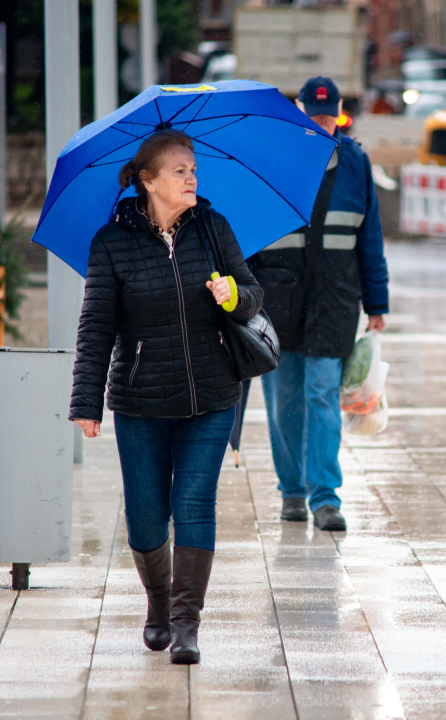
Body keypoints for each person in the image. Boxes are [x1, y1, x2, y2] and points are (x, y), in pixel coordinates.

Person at [68, 129, 264, 665]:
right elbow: (96, 327)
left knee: (195, 503)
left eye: (194, 169)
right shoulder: (111, 243)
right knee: (147, 514)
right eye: (179, 170)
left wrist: (234, 295)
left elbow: (253, 294)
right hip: (140, 401)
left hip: (213, 393)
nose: (191, 177)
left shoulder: (213, 228)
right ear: (148, 180)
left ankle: (185, 624)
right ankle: (157, 600)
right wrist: (86, 401)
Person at [249, 77, 390, 532]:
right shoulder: (274, 159)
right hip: (280, 298)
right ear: (299, 108)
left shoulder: (356, 162)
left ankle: (325, 497)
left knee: (323, 395)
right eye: (314, 113)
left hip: (335, 299)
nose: (322, 121)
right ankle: (292, 491)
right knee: (285, 401)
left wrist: (378, 302)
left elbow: (370, 238)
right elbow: (251, 236)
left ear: (341, 111)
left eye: (329, 114)